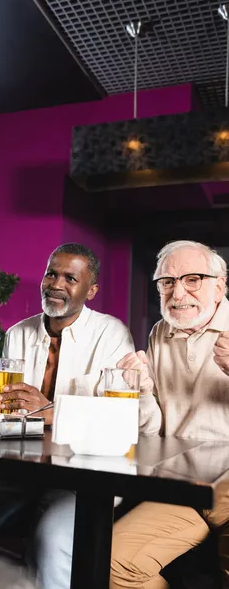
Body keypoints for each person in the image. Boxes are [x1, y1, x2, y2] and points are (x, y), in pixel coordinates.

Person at [0, 242, 134, 588]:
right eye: (51, 273)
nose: (56, 284)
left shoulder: (112, 334)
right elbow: (10, 410)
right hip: (19, 470)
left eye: (70, 278)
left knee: (54, 539)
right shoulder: (17, 333)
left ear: (91, 291)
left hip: (83, 477)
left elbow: (120, 418)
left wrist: (50, 411)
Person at [111, 239, 229, 588]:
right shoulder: (160, 334)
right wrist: (143, 393)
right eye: (167, 282)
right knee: (113, 561)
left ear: (220, 286)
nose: (178, 293)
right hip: (185, 489)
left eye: (193, 279)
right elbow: (155, 428)